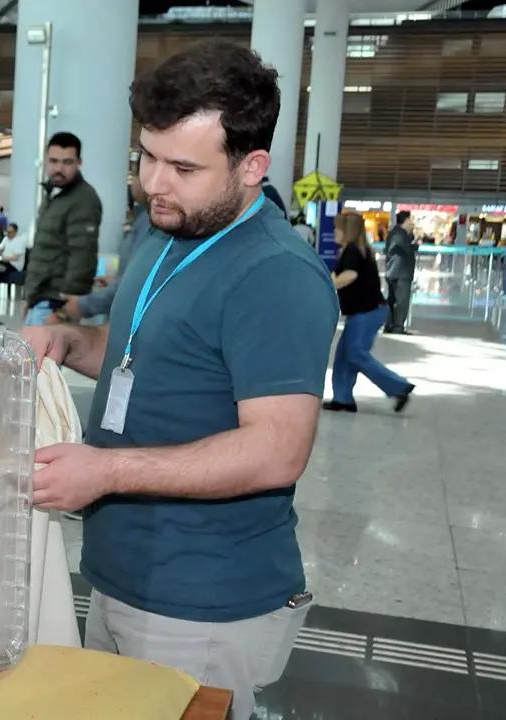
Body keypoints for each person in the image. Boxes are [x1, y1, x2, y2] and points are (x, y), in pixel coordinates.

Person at [22, 42, 338, 720]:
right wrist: (68, 342)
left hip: (203, 604)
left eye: (184, 167)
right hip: (122, 573)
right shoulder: (167, 229)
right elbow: (145, 354)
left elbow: (277, 450)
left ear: (252, 166)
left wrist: (106, 472)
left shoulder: (276, 275)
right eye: (146, 157)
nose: (154, 184)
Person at [324, 211, 415, 414]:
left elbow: (350, 275)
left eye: (338, 228)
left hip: (368, 312)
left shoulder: (353, 251)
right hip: (364, 311)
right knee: (344, 355)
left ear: (348, 230)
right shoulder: (355, 249)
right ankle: (343, 399)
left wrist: (329, 285)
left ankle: (399, 387)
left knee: (355, 354)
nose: (334, 232)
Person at [22, 131, 102, 326]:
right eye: (54, 161)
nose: (59, 168)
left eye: (67, 162)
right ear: (46, 160)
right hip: (40, 300)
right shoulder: (53, 195)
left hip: (55, 304)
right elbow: (43, 251)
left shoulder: (84, 200)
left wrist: (62, 312)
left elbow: (82, 259)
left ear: (79, 163)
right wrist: (28, 298)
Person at [58, 174, 150, 322]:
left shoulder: (149, 224)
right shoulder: (143, 220)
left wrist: (82, 306)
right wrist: (116, 280)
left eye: (136, 177)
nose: (132, 183)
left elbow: (135, 283)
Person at [383, 209, 417, 334]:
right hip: (401, 272)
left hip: (393, 271)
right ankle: (397, 327)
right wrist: (415, 246)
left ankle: (390, 325)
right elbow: (406, 249)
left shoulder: (396, 233)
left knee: (393, 300)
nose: (412, 223)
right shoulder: (399, 234)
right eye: (410, 220)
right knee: (401, 301)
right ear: (405, 220)